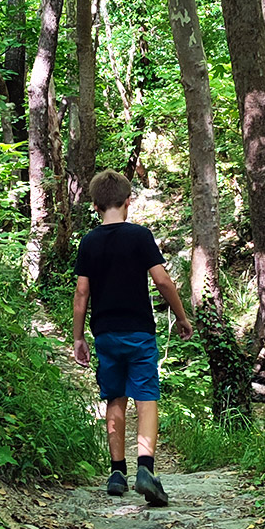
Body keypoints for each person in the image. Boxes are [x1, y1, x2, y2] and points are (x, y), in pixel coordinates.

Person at [72, 169, 193, 507]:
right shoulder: (140, 236)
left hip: (106, 334)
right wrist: (181, 317)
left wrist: (78, 337)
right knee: (146, 397)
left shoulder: (89, 241)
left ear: (95, 206)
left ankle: (116, 472)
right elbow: (163, 281)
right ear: (128, 201)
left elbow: (82, 294)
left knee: (114, 397)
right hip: (139, 331)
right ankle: (146, 469)